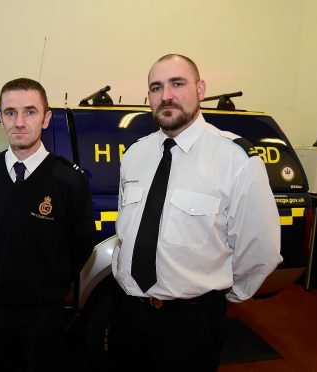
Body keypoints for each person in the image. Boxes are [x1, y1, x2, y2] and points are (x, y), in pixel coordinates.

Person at [110, 54, 283, 371]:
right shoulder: (135, 154)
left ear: (200, 89)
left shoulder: (235, 159)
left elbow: (261, 248)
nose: (166, 96)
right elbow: (128, 228)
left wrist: (222, 296)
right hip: (127, 312)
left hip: (190, 324)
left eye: (177, 83)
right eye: (156, 87)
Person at [0, 78, 95, 371]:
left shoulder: (69, 181)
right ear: (0, 119)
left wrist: (50, 280)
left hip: (43, 312)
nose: (20, 122)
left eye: (30, 111)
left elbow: (82, 241)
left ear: (46, 118)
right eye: (11, 113)